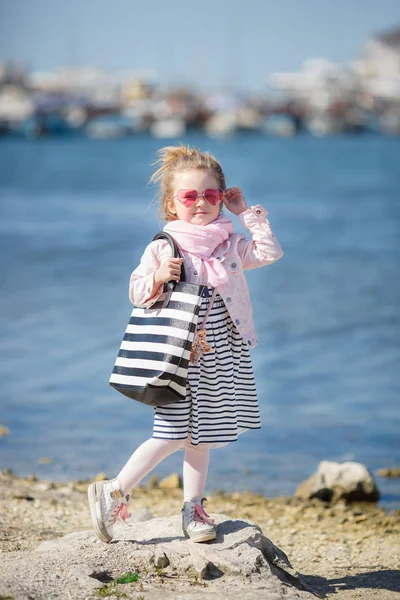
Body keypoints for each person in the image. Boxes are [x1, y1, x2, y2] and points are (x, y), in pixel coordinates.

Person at [88, 145, 283, 544]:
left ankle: (193, 509)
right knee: (173, 431)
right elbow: (137, 292)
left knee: (204, 435)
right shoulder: (165, 245)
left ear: (221, 199)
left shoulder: (229, 244)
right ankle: (114, 491)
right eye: (190, 196)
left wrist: (245, 213)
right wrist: (159, 275)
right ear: (171, 203)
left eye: (211, 196)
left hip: (220, 352)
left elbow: (269, 252)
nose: (201, 203)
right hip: (177, 356)